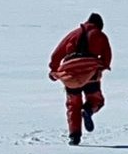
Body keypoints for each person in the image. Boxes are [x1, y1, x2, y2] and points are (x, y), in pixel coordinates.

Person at [48, 12, 112, 145]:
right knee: (96, 100)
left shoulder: (73, 34)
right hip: (90, 73)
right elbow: (107, 55)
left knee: (73, 105)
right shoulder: (100, 35)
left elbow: (57, 53)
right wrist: (102, 66)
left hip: (70, 73)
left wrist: (53, 69)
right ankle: (88, 109)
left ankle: (74, 136)